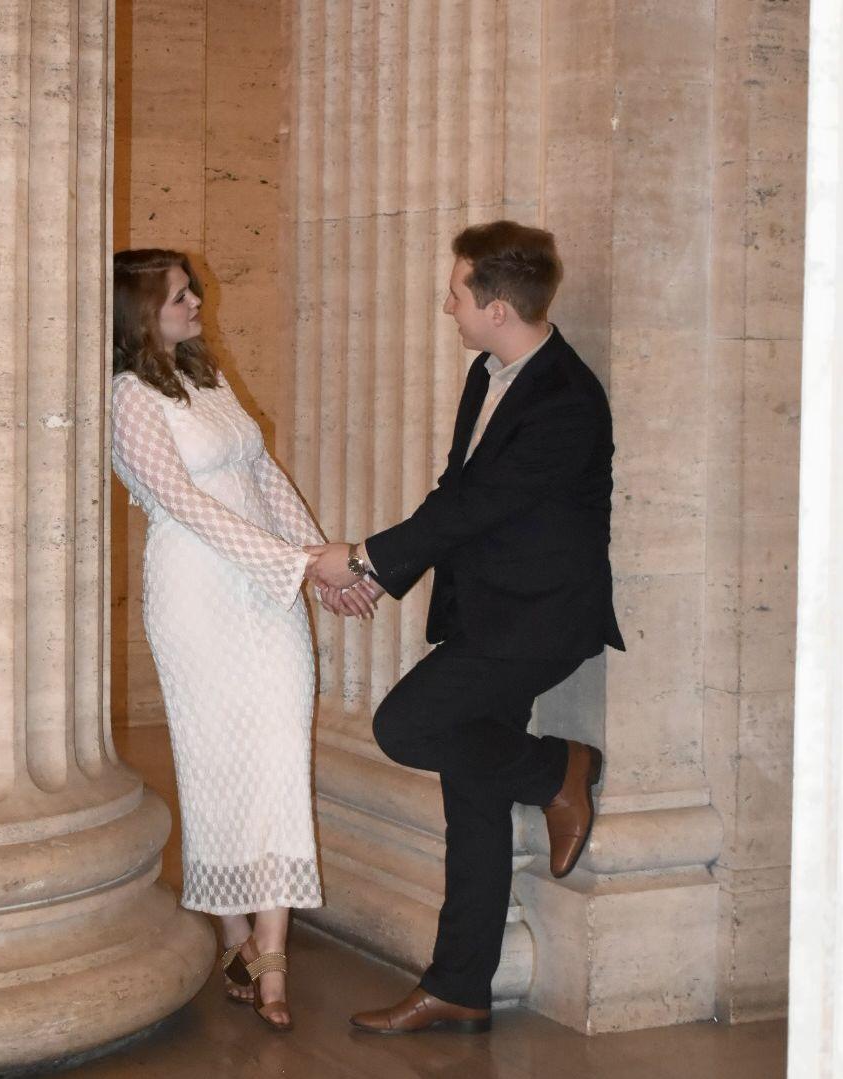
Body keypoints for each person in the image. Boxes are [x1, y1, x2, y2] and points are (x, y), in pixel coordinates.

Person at [306, 220, 625, 1034]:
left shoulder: (565, 400)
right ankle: (460, 984)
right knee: (473, 792)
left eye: (456, 293)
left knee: (405, 724)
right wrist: (379, 575)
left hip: (537, 619)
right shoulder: (492, 372)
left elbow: (481, 505)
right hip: (488, 611)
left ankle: (559, 769)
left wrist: (363, 556)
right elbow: (457, 496)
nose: (447, 305)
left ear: (496, 307)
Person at [109, 249, 373, 1033]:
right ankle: (237, 937)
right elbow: (183, 502)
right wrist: (296, 564)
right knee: (215, 759)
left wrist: (318, 565)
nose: (197, 302)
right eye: (179, 296)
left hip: (267, 588)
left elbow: (264, 475)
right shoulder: (127, 394)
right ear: (139, 313)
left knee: (282, 750)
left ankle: (274, 944)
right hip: (197, 592)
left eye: (190, 290)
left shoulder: (207, 375)